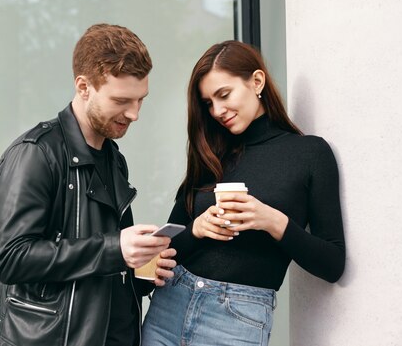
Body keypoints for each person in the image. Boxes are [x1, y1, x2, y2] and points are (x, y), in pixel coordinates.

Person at [141, 40, 346, 346]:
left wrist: (273, 222)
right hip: (169, 307)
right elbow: (159, 257)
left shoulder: (309, 154)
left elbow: (333, 264)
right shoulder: (211, 154)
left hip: (238, 320)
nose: (217, 111)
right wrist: (196, 230)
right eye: (208, 102)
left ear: (257, 81)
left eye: (224, 95)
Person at [0, 23, 177, 346]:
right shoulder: (35, 154)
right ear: (83, 86)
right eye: (122, 100)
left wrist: (142, 267)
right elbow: (12, 258)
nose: (134, 114)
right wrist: (115, 247)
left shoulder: (114, 157)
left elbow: (106, 261)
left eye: (140, 100)